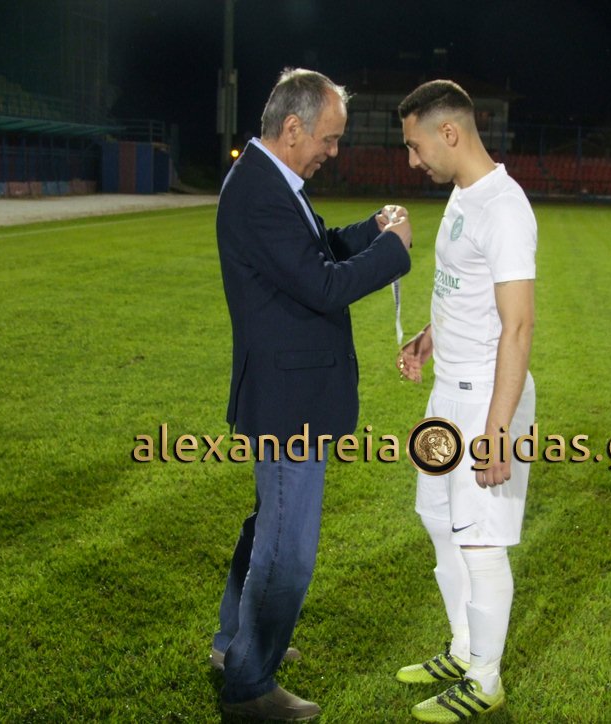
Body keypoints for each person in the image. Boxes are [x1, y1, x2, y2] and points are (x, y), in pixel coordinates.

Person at [213, 67, 412, 721]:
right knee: (286, 549)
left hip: (285, 392)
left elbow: (316, 252)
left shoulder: (268, 180)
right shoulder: (261, 190)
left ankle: (232, 644)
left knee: (266, 530)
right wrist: (394, 250)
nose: (333, 150)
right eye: (329, 137)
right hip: (288, 400)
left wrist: (371, 230)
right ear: (293, 127)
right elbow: (324, 286)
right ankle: (248, 684)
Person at [394, 80, 537, 722]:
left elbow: (518, 325)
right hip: (448, 390)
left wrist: (498, 431)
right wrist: (430, 337)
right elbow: (460, 287)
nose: (412, 160)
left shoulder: (504, 208)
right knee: (436, 518)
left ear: (449, 133)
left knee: (480, 542)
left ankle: (485, 678)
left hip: (485, 400)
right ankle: (462, 648)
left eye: (415, 146)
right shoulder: (461, 194)